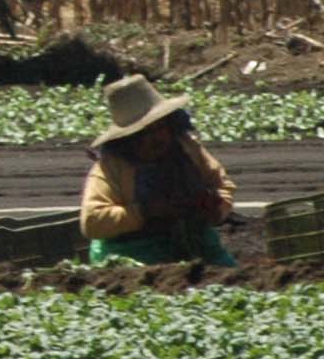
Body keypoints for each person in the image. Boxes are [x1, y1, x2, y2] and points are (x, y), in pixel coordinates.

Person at [79, 75, 237, 266]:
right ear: (129, 138)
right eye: (147, 132)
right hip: (131, 252)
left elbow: (222, 185)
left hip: (195, 243)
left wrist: (214, 207)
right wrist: (146, 211)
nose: (158, 137)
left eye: (161, 127)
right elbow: (92, 222)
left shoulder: (187, 148)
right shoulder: (111, 167)